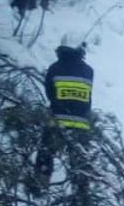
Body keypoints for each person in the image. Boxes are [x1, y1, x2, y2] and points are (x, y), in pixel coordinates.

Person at [33, 44, 95, 192]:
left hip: (57, 120)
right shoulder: (89, 71)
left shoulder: (54, 68)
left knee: (46, 153)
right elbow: (88, 98)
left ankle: (40, 185)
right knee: (80, 160)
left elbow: (49, 93)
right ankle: (81, 192)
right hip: (81, 124)